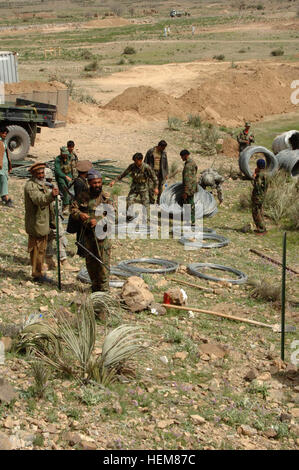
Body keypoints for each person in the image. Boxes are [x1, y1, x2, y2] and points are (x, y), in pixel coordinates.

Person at [71, 169, 112, 292]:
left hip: (102, 237)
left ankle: (104, 290)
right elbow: (73, 209)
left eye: (99, 182)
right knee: (90, 262)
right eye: (94, 183)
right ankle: (94, 287)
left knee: (102, 263)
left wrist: (98, 220)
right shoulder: (83, 196)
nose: (97, 185)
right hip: (87, 236)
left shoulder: (106, 198)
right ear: (89, 183)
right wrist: (80, 215)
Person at [24, 162, 59, 284]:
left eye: (42, 173)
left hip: (42, 222)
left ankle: (38, 271)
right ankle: (37, 274)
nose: (41, 175)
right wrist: (51, 195)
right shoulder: (31, 186)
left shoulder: (42, 184)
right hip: (36, 223)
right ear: (33, 174)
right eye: (38, 173)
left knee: (41, 249)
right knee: (36, 250)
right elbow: (39, 200)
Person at [44, 168, 78, 272]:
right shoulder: (43, 190)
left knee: (59, 238)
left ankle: (62, 261)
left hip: (55, 217)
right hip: (47, 218)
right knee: (49, 238)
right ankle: (49, 260)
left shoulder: (52, 188)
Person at [110, 153, 158, 221]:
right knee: (129, 200)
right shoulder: (132, 166)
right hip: (134, 187)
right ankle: (129, 216)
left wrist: (156, 188)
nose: (135, 162)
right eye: (134, 161)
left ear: (141, 160)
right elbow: (123, 174)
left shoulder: (146, 167)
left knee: (145, 203)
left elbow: (154, 178)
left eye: (136, 161)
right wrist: (114, 181)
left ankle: (146, 218)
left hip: (143, 187)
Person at [144, 140, 169, 205]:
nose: (163, 149)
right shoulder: (151, 151)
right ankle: (152, 201)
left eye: (164, 148)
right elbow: (145, 162)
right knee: (150, 187)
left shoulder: (164, 153)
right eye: (163, 148)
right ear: (159, 146)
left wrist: (166, 173)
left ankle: (159, 202)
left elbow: (166, 163)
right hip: (152, 172)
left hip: (161, 173)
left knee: (160, 188)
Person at [180, 149, 198, 225]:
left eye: (182, 156)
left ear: (185, 155)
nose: (181, 158)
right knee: (191, 203)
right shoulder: (193, 163)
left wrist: (185, 192)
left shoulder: (187, 166)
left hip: (189, 188)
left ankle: (191, 220)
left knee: (189, 203)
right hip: (193, 186)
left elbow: (187, 179)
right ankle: (191, 220)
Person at [251, 159, 268, 235]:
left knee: (256, 212)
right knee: (260, 211)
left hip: (258, 196)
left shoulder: (259, 175)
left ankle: (261, 229)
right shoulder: (265, 174)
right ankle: (262, 228)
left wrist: (254, 177)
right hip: (262, 195)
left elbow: (257, 186)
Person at [54, 146, 73, 213]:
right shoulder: (57, 159)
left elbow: (71, 168)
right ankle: (66, 205)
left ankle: (72, 203)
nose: (65, 155)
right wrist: (65, 177)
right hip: (61, 176)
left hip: (68, 175)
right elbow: (57, 171)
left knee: (71, 188)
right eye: (64, 154)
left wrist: (71, 177)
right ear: (61, 153)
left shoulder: (69, 157)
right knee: (64, 188)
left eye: (66, 154)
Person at [0, 126, 13, 207]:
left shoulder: (4, 141)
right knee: (3, 179)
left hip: (4, 164)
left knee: (3, 179)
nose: (5, 134)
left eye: (6, 133)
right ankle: (6, 197)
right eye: (3, 133)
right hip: (1, 165)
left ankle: (3, 196)